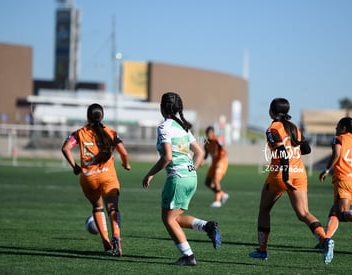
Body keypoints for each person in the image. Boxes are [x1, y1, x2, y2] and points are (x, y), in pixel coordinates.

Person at [249, 98, 335, 264]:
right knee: (304, 213)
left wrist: (286, 176)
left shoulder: (273, 129)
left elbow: (282, 153)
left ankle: (262, 251)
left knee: (264, 210)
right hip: (300, 173)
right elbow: (307, 149)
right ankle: (325, 240)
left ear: (271, 112)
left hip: (281, 175)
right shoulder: (294, 128)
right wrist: (294, 156)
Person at [142, 92, 221, 266]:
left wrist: (150, 174)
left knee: (168, 219)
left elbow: (167, 157)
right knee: (175, 217)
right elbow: (199, 152)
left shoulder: (165, 127)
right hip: (190, 177)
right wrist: (190, 169)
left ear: (162, 108)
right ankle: (207, 226)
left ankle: (189, 257)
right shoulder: (182, 127)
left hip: (177, 178)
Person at [62, 103, 131, 257]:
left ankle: (105, 241)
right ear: (103, 117)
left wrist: (75, 167)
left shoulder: (79, 133)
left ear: (87, 117)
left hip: (88, 178)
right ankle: (116, 238)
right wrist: (126, 165)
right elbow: (124, 152)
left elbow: (65, 148)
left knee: (98, 207)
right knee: (113, 209)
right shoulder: (110, 132)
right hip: (108, 176)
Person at [201, 126, 229, 207]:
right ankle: (222, 194)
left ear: (213, 133)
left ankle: (218, 201)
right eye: (207, 133)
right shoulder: (206, 143)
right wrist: (203, 161)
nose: (209, 135)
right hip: (214, 163)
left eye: (210, 133)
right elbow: (206, 154)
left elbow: (225, 152)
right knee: (207, 182)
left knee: (216, 180)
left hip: (222, 161)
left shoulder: (217, 141)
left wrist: (220, 161)